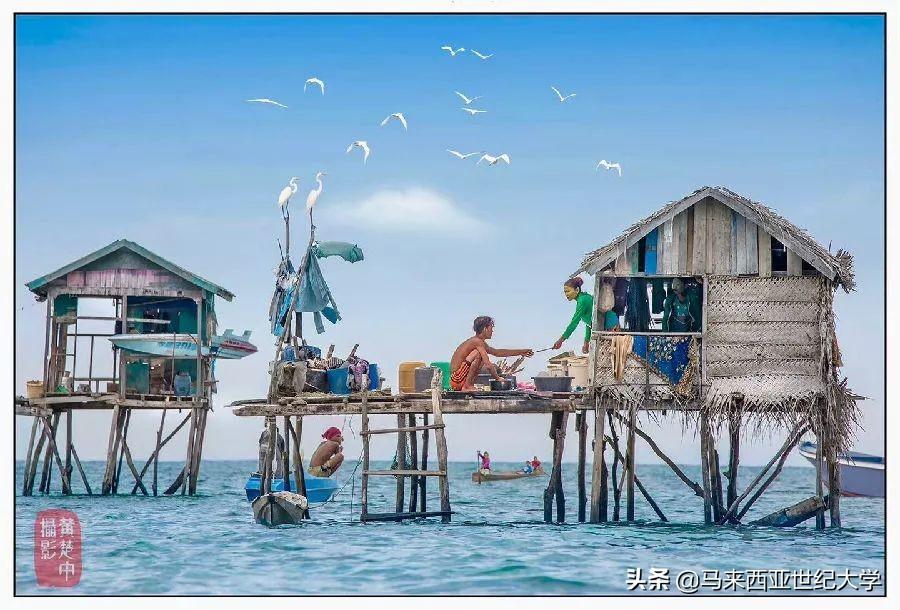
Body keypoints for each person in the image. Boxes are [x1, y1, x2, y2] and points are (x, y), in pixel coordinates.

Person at [450, 316, 534, 391]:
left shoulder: (479, 342)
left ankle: (468, 385)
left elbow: (497, 352)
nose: (492, 331)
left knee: (480, 355)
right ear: (485, 329)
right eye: (491, 327)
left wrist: (522, 351)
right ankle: (467, 386)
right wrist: (497, 378)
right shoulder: (477, 342)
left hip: (458, 380)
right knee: (479, 355)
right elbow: (488, 365)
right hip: (457, 379)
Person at [553, 277, 593, 354]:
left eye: (568, 291)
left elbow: (574, 323)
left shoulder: (582, 301)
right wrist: (586, 342)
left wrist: (561, 340)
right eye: (565, 292)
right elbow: (590, 322)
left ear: (577, 290)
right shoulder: (584, 298)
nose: (566, 294)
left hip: (610, 327)